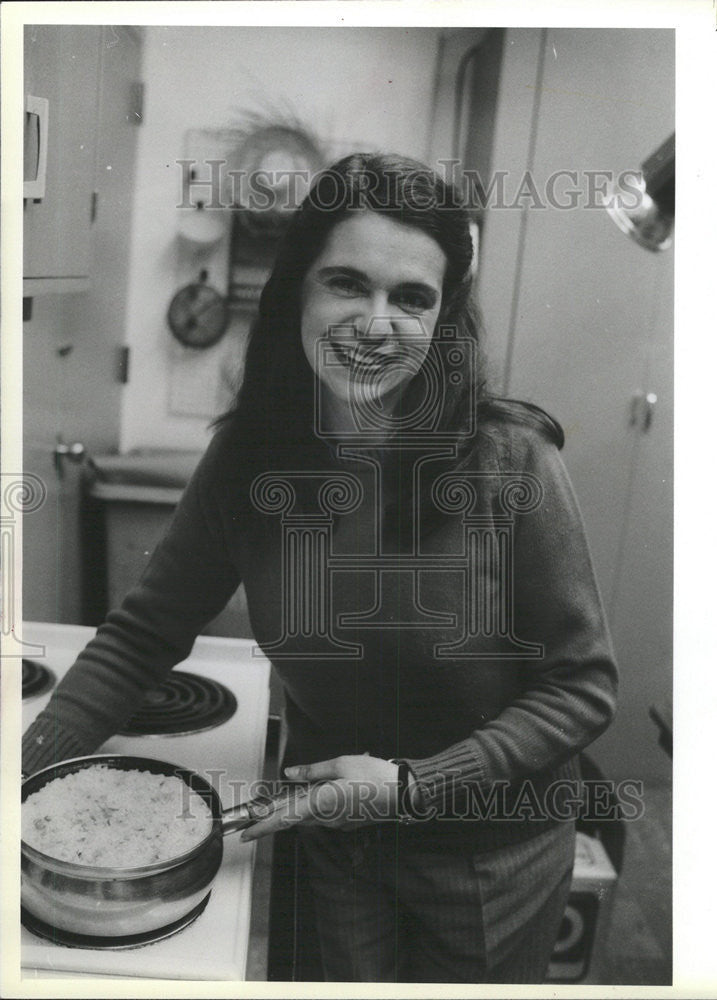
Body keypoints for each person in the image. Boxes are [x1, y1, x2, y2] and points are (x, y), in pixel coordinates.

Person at [22, 153, 618, 983]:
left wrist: (414, 786)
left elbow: (580, 686)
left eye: (411, 298)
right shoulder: (249, 458)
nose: (376, 323)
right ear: (295, 290)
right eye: (346, 283)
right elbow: (141, 635)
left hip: (487, 859)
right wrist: (23, 768)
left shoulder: (508, 461)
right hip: (334, 843)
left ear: (444, 321)